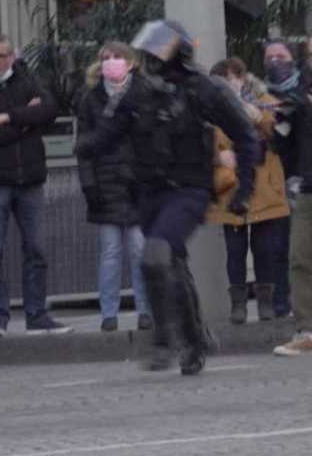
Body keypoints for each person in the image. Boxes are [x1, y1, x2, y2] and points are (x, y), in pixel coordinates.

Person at [76, 20, 259, 374]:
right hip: (149, 191)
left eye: (160, 49)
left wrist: (244, 189)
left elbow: (246, 136)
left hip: (189, 189)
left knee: (155, 257)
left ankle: (165, 338)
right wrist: (85, 144)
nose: (151, 56)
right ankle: (195, 339)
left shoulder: (204, 88)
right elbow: (108, 133)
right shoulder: (139, 91)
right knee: (171, 264)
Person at [0, 35, 69, 337]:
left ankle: (37, 315)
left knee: (36, 249)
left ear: (12, 56)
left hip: (30, 178)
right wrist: (26, 125)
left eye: (1, 56)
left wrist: (8, 118)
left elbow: (49, 109)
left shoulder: (28, 80)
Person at [76, 42, 153, 332]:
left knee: (138, 249)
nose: (111, 62)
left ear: (131, 62)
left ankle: (145, 309)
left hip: (136, 184)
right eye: (106, 58)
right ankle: (109, 313)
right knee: (109, 252)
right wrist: (89, 187)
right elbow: (84, 147)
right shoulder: (91, 99)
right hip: (105, 184)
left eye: (117, 57)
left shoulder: (143, 94)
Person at [207, 57, 290, 324]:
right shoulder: (209, 107)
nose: (227, 86)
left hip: (263, 184)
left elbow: (283, 135)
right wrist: (218, 158)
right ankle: (238, 306)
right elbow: (196, 142)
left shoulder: (263, 99)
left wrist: (260, 116)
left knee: (265, 248)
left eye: (230, 79)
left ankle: (265, 303)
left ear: (242, 78)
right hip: (231, 186)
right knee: (235, 248)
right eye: (220, 82)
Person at [265, 41, 312, 356]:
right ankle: (307, 330)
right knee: (300, 258)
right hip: (309, 187)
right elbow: (286, 145)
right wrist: (281, 124)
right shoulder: (300, 93)